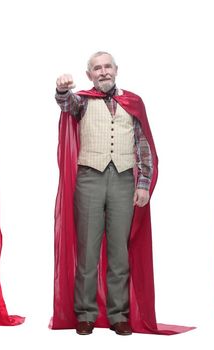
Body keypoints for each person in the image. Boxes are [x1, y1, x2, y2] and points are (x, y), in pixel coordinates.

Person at [53, 52, 154, 336]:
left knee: (119, 253)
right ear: (90, 75)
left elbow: (143, 144)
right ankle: (85, 313)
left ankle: (118, 315)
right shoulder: (82, 100)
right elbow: (65, 102)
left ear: (116, 70)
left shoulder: (133, 102)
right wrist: (62, 88)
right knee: (87, 251)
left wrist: (144, 183)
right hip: (90, 180)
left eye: (107, 66)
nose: (103, 71)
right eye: (97, 68)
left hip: (123, 180)